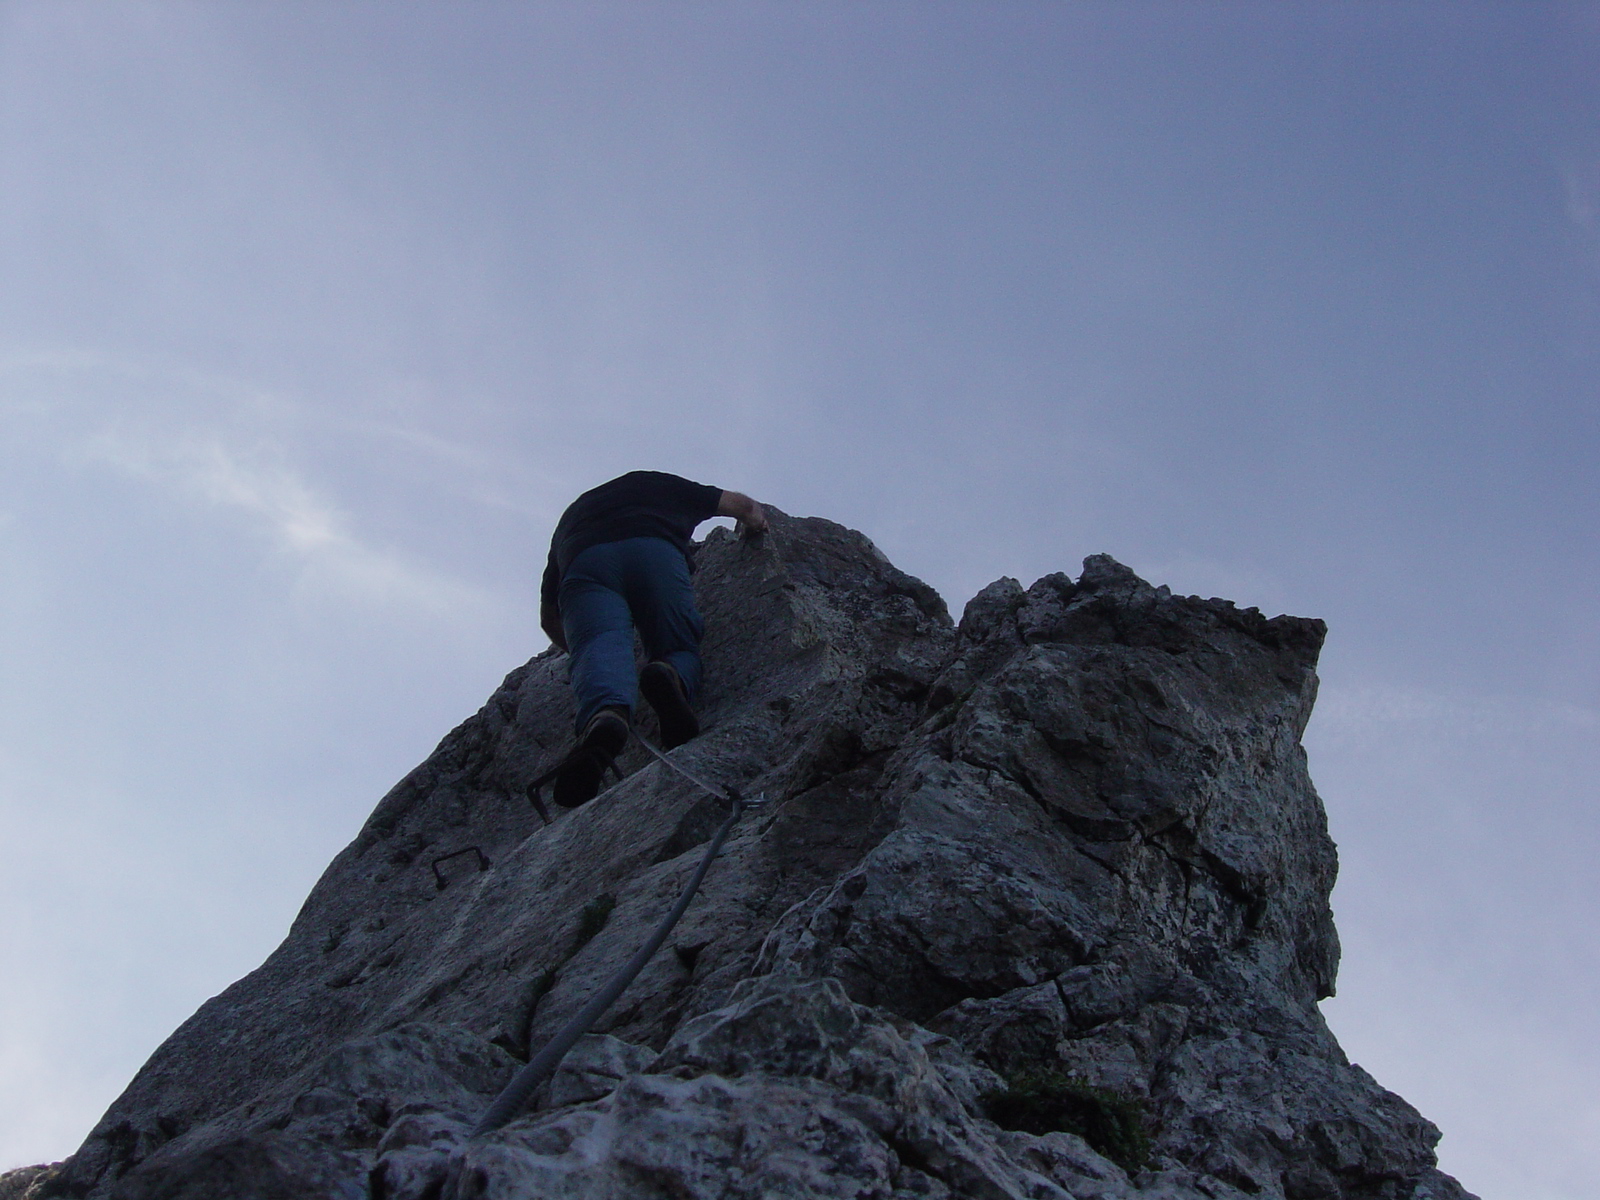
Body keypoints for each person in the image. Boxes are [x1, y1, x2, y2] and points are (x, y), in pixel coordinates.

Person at [539, 470, 768, 807]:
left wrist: (588, 653)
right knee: (678, 644)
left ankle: (606, 718)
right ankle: (668, 673)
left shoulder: (574, 514)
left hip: (585, 563)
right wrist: (756, 527)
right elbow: (744, 506)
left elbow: (549, 620)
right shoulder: (658, 485)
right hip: (653, 551)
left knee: (599, 645)